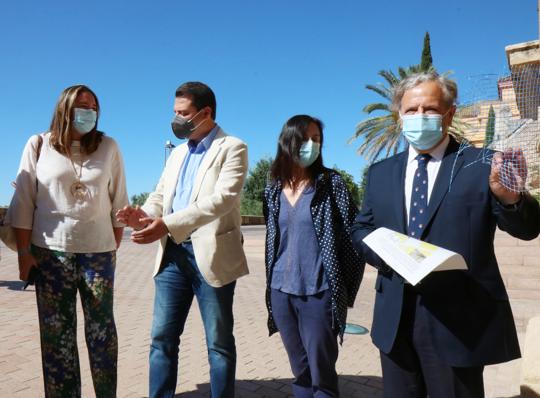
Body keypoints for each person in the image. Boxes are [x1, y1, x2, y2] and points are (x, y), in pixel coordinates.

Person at [350, 71, 540, 398]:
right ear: (399, 116)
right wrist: (388, 254)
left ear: (449, 115)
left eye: (430, 109)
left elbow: (527, 228)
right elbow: (360, 229)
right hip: (395, 321)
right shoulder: (380, 173)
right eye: (411, 110)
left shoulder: (482, 164)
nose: (419, 117)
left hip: (458, 323)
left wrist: (511, 199)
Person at [116, 81, 248, 398]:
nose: (177, 119)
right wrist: (142, 215)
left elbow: (223, 199)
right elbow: (161, 196)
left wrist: (168, 224)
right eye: (174, 112)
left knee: (218, 343)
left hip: (212, 257)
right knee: (161, 338)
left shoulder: (233, 147)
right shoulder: (176, 155)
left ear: (206, 113)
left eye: (184, 113)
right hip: (172, 258)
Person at [8, 84, 128, 397]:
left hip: (98, 255)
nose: (88, 112)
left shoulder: (109, 147)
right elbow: (23, 201)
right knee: (56, 339)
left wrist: (110, 244)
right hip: (49, 254)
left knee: (102, 335)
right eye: (81, 106)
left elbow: (119, 202)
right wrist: (23, 253)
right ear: (64, 109)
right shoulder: (39, 145)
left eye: (93, 107)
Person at [263, 115, 365, 397]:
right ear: (288, 142)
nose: (311, 145)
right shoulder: (273, 189)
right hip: (280, 292)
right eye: (305, 138)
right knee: (300, 370)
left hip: (319, 293)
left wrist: (343, 290)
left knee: (322, 372)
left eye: (317, 139)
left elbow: (352, 238)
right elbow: (274, 238)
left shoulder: (332, 184)